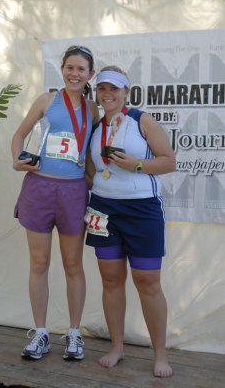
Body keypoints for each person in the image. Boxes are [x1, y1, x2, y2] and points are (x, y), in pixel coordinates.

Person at [84, 66, 175, 377]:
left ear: (126, 92)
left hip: (142, 211)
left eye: (114, 89)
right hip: (103, 210)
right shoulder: (95, 126)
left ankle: (160, 355)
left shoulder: (142, 120)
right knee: (110, 280)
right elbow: (89, 169)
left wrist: (137, 165)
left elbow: (169, 161)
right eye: (102, 89)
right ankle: (116, 347)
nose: (107, 94)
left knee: (147, 283)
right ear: (96, 92)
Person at [12, 45, 99, 361]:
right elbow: (19, 135)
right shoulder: (46, 100)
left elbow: (90, 152)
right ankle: (41, 333)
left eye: (81, 69)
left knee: (73, 265)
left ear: (90, 74)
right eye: (70, 68)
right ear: (62, 69)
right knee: (39, 263)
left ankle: (74, 334)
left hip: (73, 192)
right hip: (39, 188)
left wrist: (95, 183)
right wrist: (17, 160)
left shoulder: (92, 109)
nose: (75, 74)